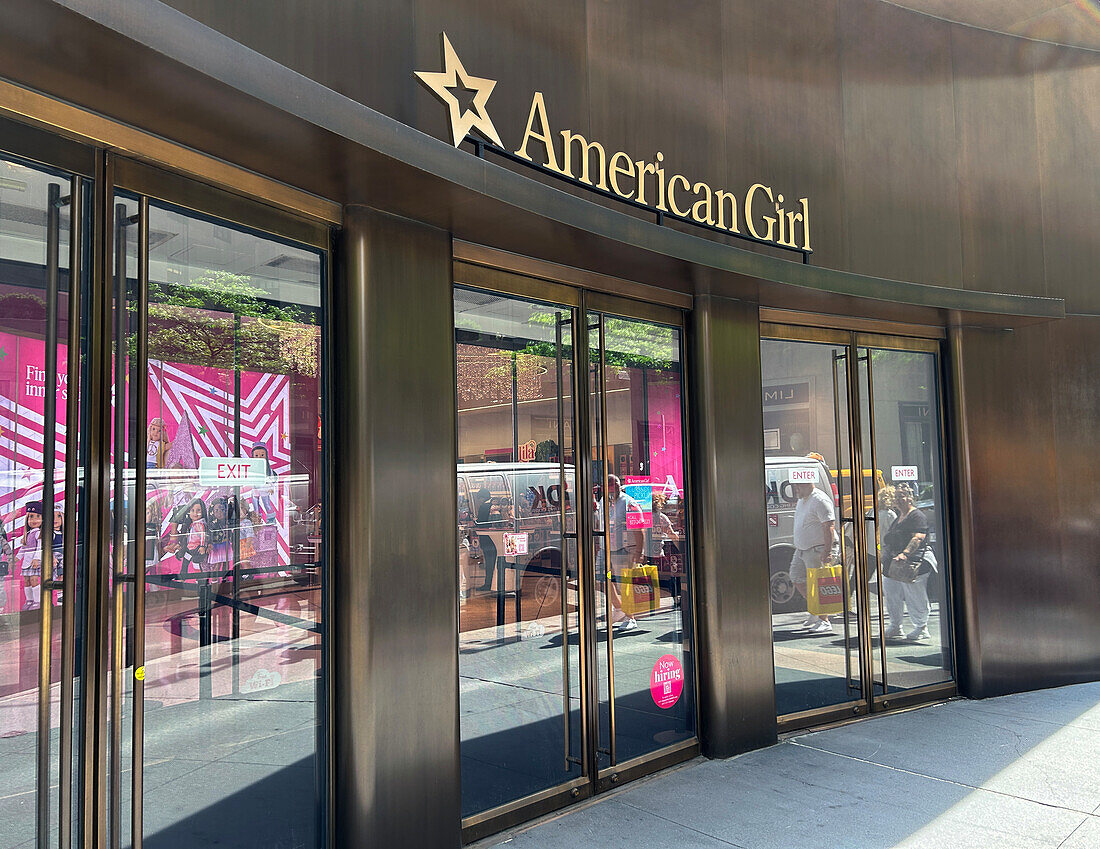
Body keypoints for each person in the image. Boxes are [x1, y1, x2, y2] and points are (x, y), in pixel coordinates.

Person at [881, 483, 933, 642]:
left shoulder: (916, 516)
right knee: (891, 591)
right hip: (895, 563)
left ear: (910, 498)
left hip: (914, 562)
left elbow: (918, 537)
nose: (898, 499)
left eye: (902, 496)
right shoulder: (898, 517)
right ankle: (896, 626)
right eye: (896, 497)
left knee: (914, 594)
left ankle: (921, 627)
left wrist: (905, 554)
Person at [790, 476, 839, 634]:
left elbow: (829, 525)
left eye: (798, 486)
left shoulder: (819, 499)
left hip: (818, 549)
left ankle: (824, 621)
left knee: (819, 585)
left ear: (808, 484)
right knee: (796, 578)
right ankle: (815, 611)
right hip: (802, 549)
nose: (796, 489)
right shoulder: (803, 499)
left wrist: (828, 550)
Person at [597, 474, 645, 632]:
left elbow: (639, 528)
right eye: (610, 486)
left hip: (623, 551)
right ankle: (619, 609)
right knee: (605, 579)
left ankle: (630, 617)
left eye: (616, 485)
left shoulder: (628, 502)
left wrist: (639, 551)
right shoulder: (604, 501)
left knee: (624, 584)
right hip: (606, 551)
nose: (613, 489)